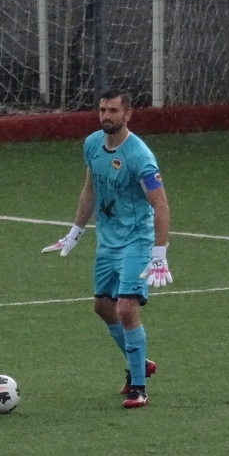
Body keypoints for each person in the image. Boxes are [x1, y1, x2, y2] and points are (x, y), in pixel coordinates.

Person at [42, 88, 172, 408]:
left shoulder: (140, 156)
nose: (106, 116)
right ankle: (140, 361)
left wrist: (159, 254)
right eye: (102, 110)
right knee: (102, 307)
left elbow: (160, 204)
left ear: (128, 114)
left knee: (126, 308)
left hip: (136, 242)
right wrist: (74, 233)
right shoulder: (92, 145)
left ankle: (138, 387)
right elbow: (90, 189)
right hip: (107, 242)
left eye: (113, 110)